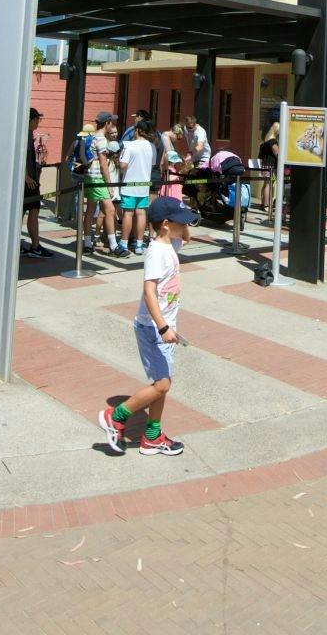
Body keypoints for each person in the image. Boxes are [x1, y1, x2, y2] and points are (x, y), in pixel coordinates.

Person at [96, 195, 196, 457]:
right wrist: (163, 326)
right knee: (162, 384)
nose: (183, 226)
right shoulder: (157, 253)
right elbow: (149, 292)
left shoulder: (171, 243)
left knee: (160, 384)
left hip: (166, 328)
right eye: (178, 221)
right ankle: (115, 416)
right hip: (153, 328)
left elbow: (186, 237)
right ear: (165, 224)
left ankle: (152, 436)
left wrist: (184, 217)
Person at [119, 118, 158, 255]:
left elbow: (123, 165)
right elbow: (152, 165)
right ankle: (139, 244)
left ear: (137, 130)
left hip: (129, 185)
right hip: (144, 185)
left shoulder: (129, 145)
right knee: (141, 213)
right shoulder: (152, 147)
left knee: (128, 214)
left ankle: (124, 243)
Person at [22, 108, 54, 258]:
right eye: (38, 120)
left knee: (26, 212)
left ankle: (26, 245)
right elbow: (19, 157)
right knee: (33, 212)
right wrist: (26, 176)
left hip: (31, 180)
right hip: (28, 183)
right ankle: (35, 246)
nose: (38, 123)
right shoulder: (24, 135)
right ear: (32, 120)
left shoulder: (28, 134)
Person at [95, 114, 126, 255]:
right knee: (105, 212)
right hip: (105, 185)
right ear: (106, 123)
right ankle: (100, 238)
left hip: (109, 187)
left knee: (107, 212)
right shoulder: (101, 141)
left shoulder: (100, 139)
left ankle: (106, 239)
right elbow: (103, 165)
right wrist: (109, 186)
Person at [258, 120, 280, 212]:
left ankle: (263, 203)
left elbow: (260, 155)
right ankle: (266, 205)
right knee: (269, 185)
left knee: (265, 184)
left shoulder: (265, 141)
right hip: (271, 166)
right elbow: (277, 154)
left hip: (264, 165)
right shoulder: (273, 141)